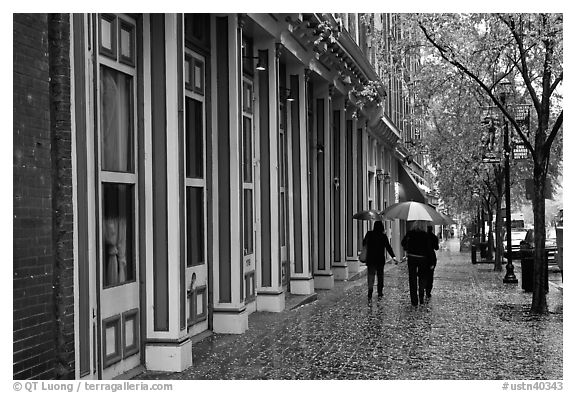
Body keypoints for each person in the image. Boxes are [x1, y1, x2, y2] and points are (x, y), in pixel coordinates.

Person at [362, 220, 397, 301]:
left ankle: (370, 291)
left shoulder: (369, 234)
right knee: (380, 276)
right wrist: (393, 256)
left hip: (370, 259)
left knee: (371, 275)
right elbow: (388, 247)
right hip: (380, 259)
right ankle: (380, 292)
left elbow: (364, 243)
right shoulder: (383, 236)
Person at [401, 220, 434, 306]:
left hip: (412, 257)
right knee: (422, 277)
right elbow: (429, 249)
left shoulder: (410, 233)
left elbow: (403, 243)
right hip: (422, 259)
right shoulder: (425, 235)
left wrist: (407, 248)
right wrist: (431, 262)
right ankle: (421, 297)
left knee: (412, 278)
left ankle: (414, 300)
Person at [426, 226, 440, 298]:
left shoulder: (423, 236)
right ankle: (428, 291)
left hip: (424, 257)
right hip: (431, 257)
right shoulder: (434, 237)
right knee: (430, 274)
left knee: (423, 273)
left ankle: (423, 288)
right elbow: (436, 248)